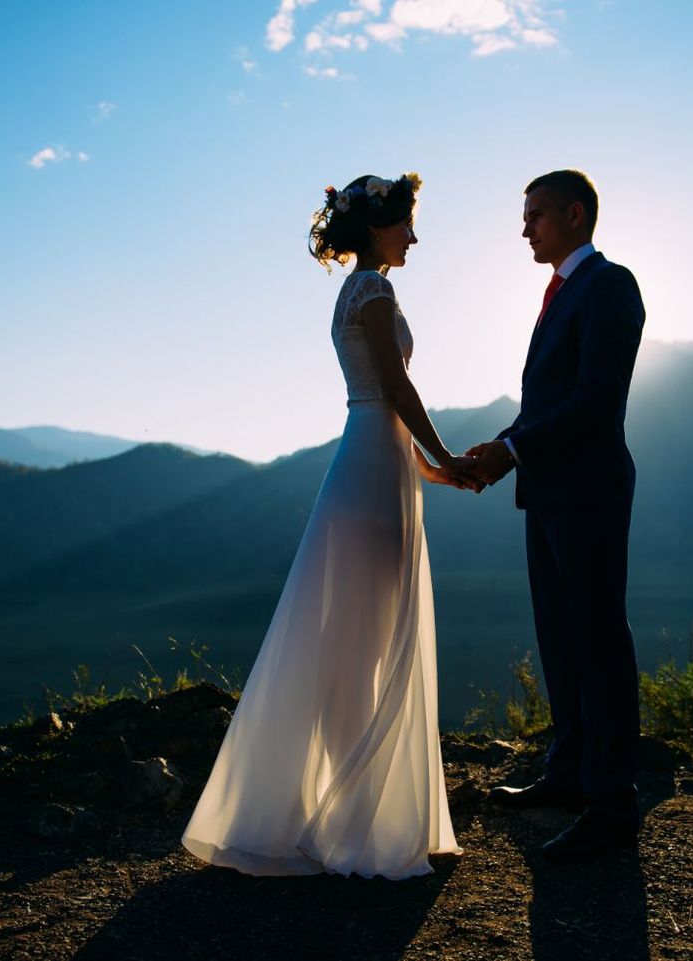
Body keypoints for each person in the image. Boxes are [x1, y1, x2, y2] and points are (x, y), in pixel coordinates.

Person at [181, 172, 475, 879]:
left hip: (376, 464)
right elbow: (395, 389)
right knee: (366, 640)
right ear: (378, 226)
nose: (414, 236)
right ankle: (354, 818)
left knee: (360, 640)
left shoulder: (359, 291)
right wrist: (446, 454)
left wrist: (440, 472)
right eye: (407, 222)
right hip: (374, 474)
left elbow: (384, 405)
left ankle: (353, 809)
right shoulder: (374, 292)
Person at [463, 169, 647, 863]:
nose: (525, 227)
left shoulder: (610, 285)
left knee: (599, 640)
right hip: (548, 492)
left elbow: (598, 398)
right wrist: (502, 447)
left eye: (535, 214)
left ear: (574, 214)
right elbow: (546, 402)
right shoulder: (560, 295)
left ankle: (611, 806)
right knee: (561, 638)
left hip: (590, 491)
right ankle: (568, 773)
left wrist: (512, 449)